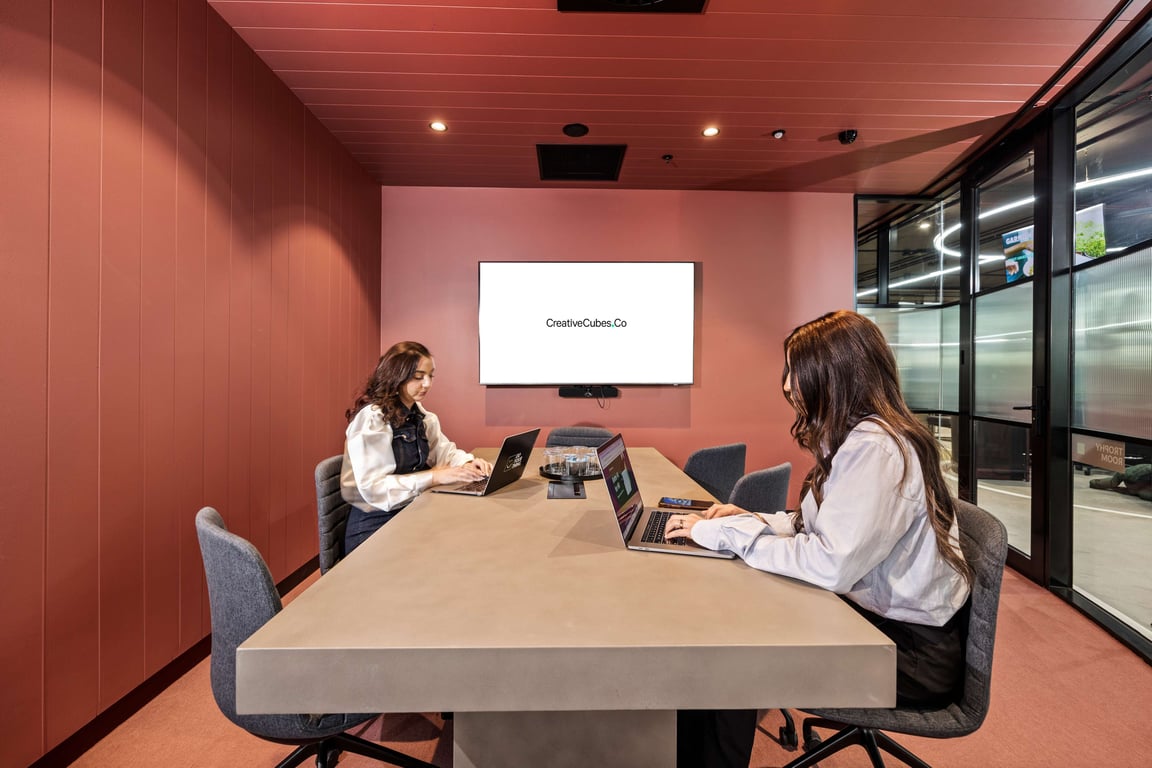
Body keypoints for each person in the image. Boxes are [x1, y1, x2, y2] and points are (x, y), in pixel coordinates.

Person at [665, 310, 973, 768]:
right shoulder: (860, 437)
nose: (788, 385)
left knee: (727, 663)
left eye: (795, 370)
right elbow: (823, 528)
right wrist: (754, 519)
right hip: (877, 620)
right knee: (721, 639)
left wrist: (729, 533)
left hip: (909, 653)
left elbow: (830, 563)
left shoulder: (876, 448)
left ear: (835, 374)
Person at [341, 341, 492, 555]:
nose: (427, 384)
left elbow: (443, 451)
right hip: (375, 528)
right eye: (418, 377)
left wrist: (468, 462)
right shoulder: (372, 419)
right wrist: (434, 477)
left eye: (431, 376)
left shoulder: (420, 414)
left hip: (410, 512)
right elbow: (374, 488)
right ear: (396, 376)